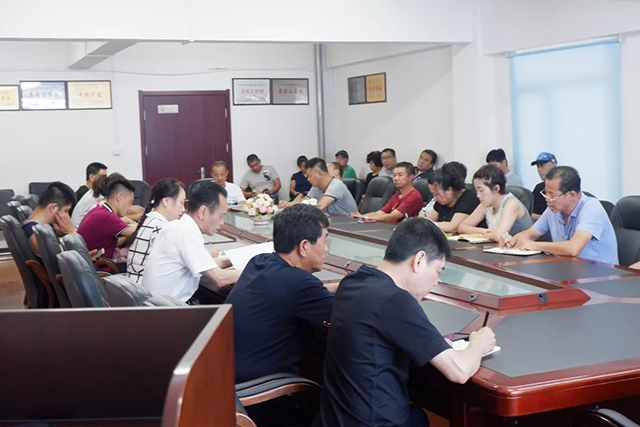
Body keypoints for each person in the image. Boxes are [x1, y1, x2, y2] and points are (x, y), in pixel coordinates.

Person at [316, 218, 496, 427]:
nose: (436, 281)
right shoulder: (396, 300)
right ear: (419, 260)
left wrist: (437, 347)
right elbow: (459, 371)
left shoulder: (353, 280)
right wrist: (478, 345)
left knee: (417, 415)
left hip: (333, 418)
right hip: (373, 423)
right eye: (438, 271)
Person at [142, 181, 241, 301]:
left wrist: (234, 259)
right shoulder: (185, 232)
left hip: (159, 305)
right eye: (221, 216)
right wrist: (253, 271)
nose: (222, 222)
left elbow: (206, 265)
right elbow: (219, 278)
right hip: (169, 309)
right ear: (203, 212)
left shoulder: (178, 226)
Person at [505, 166, 618, 265]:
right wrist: (512, 240)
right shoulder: (553, 209)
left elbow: (574, 248)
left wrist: (535, 245)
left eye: (552, 195)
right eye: (546, 193)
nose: (547, 199)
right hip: (568, 270)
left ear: (571, 194)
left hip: (600, 276)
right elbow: (530, 234)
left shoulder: (591, 208)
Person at [126, 178, 186, 284]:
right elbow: (184, 259)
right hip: (146, 289)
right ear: (166, 201)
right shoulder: (161, 227)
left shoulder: (150, 219)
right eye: (181, 202)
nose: (183, 209)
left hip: (134, 286)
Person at [459, 165, 533, 240]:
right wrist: (484, 231)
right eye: (476, 190)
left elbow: (499, 236)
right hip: (497, 246)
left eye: (481, 190)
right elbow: (462, 227)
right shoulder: (485, 204)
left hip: (519, 246)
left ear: (496, 188)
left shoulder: (511, 204)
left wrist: (484, 234)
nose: (478, 195)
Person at [77, 175, 137, 261]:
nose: (130, 207)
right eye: (130, 202)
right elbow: (138, 234)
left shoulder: (98, 209)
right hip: (101, 266)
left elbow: (110, 243)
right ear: (119, 197)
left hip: (89, 262)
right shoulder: (107, 216)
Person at [351, 162, 423, 224]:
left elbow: (391, 217)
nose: (396, 178)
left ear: (411, 177)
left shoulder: (414, 196)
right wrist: (361, 216)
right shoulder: (396, 196)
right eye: (394, 175)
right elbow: (379, 213)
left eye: (400, 175)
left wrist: (364, 217)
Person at [281, 158, 358, 216]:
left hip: (349, 225)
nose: (308, 179)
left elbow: (319, 207)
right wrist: (288, 205)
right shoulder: (316, 186)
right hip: (332, 223)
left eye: (310, 176)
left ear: (319, 174)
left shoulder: (336, 185)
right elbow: (305, 201)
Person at [22, 182, 77, 256]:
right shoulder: (39, 235)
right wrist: (72, 232)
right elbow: (70, 258)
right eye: (66, 211)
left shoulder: (32, 228)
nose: (67, 216)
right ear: (53, 208)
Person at [426, 162, 479, 233]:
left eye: (436, 194)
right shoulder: (441, 201)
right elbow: (430, 220)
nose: (435, 197)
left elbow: (453, 227)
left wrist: (429, 224)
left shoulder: (469, 198)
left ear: (449, 190)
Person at [530, 152, 558, 221]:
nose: (539, 170)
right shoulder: (539, 188)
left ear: (553, 165)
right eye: (538, 167)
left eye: (542, 166)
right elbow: (530, 213)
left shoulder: (564, 187)